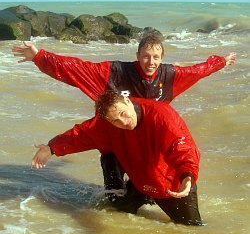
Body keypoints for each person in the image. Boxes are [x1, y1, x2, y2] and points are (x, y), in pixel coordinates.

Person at [12, 35, 236, 202]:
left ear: (162, 58)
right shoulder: (116, 73)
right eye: (146, 56)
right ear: (137, 56)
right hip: (116, 141)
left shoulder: (168, 76)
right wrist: (39, 57)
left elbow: (198, 70)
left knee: (153, 187)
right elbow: (77, 69)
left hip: (147, 142)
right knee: (115, 197)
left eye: (156, 57)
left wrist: (221, 63)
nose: (151, 62)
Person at [32, 90, 203, 226]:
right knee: (117, 208)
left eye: (123, 113)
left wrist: (187, 177)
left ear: (128, 101)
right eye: (115, 120)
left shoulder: (162, 115)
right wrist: (51, 148)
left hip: (172, 186)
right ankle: (116, 187)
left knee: (190, 230)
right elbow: (81, 135)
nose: (123, 122)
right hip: (140, 182)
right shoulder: (106, 124)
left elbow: (181, 146)